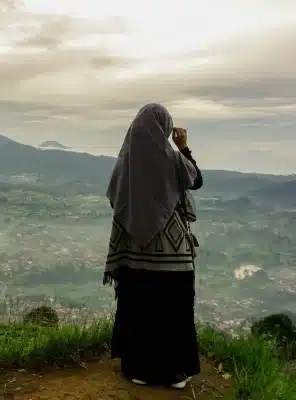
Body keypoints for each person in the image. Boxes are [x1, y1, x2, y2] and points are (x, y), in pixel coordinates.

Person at [104, 103, 203, 389]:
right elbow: (195, 180)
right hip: (172, 252)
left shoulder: (125, 162)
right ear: (166, 128)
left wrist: (140, 216)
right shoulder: (172, 159)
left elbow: (115, 199)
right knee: (174, 310)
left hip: (135, 250)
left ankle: (139, 369)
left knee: (139, 307)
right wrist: (183, 147)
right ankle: (174, 373)